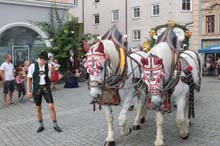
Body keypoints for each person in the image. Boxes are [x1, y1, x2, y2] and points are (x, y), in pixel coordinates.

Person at [27, 51, 62, 133]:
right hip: (36, 89)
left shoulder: (48, 66)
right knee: (38, 108)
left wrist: (52, 72)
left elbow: (51, 79)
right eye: (44, 60)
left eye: (46, 60)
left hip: (46, 88)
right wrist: (28, 91)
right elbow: (29, 79)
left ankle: (55, 125)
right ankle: (41, 125)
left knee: (51, 106)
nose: (45, 62)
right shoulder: (32, 66)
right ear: (40, 59)